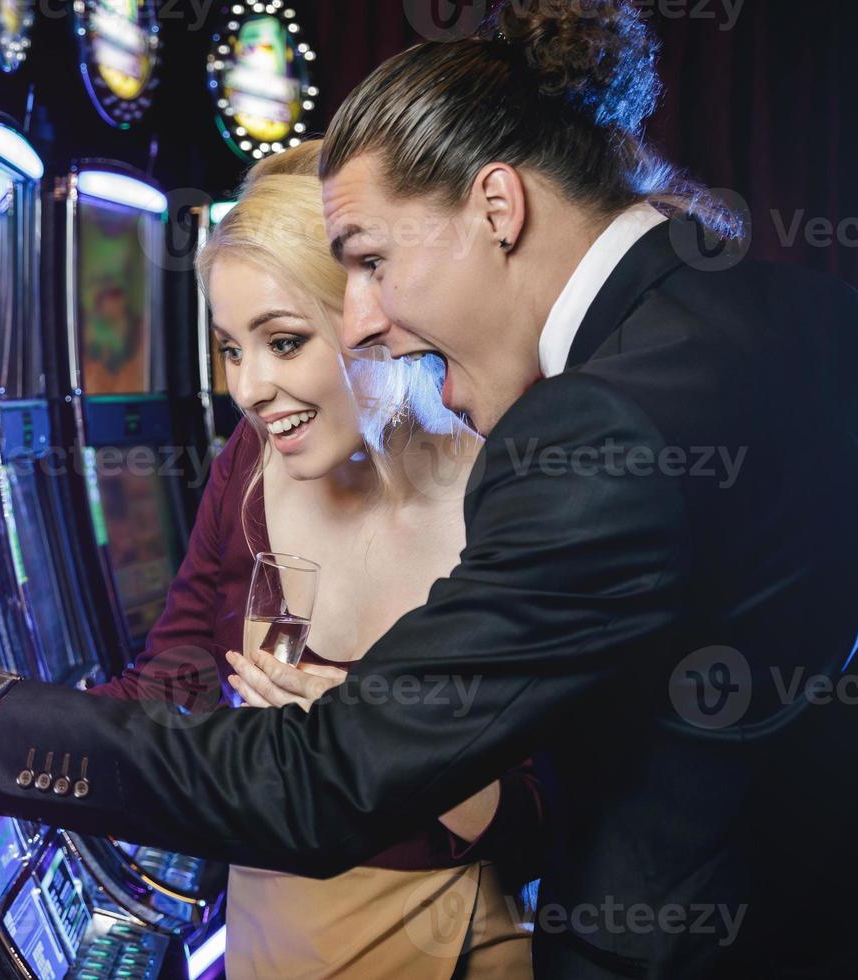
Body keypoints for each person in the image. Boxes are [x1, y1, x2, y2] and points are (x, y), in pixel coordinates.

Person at [0, 1, 858, 975]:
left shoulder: (596, 425)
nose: (372, 321)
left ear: (497, 205)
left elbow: (327, 780)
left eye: (375, 262)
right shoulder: (845, 325)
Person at [85, 141, 538, 977]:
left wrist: (382, 739)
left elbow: (561, 815)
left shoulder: (513, 488)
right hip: (270, 926)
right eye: (231, 349)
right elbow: (175, 679)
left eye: (283, 342)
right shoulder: (246, 468)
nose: (249, 388)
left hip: (455, 940)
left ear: (377, 314)